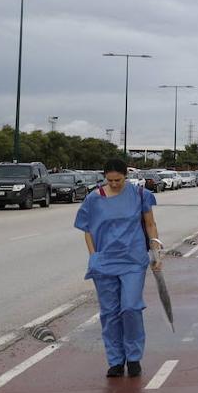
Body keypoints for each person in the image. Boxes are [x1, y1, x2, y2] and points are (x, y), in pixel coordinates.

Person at [75, 158, 163, 377]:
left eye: (119, 179)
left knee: (131, 307)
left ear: (126, 176)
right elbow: (87, 229)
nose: (114, 183)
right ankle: (115, 360)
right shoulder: (93, 199)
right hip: (104, 262)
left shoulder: (140, 195)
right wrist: (93, 256)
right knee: (110, 313)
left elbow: (150, 224)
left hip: (133, 260)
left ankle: (133, 357)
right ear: (104, 177)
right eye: (110, 180)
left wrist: (155, 250)